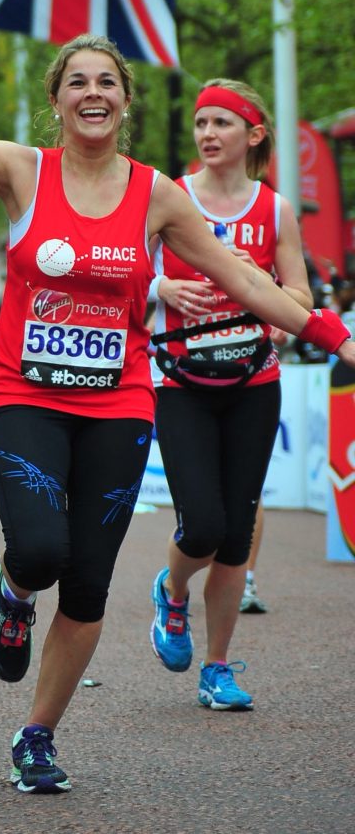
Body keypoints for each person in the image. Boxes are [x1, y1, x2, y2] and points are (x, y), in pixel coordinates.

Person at [0, 0, 355, 793]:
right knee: (39, 547)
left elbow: (250, 285)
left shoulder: (159, 197)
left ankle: (36, 733)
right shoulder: (21, 171)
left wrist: (339, 337)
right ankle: (12, 589)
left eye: (107, 81)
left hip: (118, 401)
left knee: (91, 580)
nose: (93, 92)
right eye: (78, 82)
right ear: (58, 101)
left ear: (126, 102)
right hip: (26, 391)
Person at [147, 79, 311, 708]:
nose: (208, 134)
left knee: (237, 534)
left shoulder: (275, 209)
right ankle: (173, 588)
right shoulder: (171, 196)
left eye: (222, 123)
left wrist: (270, 305)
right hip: (182, 381)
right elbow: (125, 272)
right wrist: (163, 289)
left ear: (254, 134)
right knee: (205, 525)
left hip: (253, 382)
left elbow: (299, 296)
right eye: (202, 123)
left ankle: (217, 668)